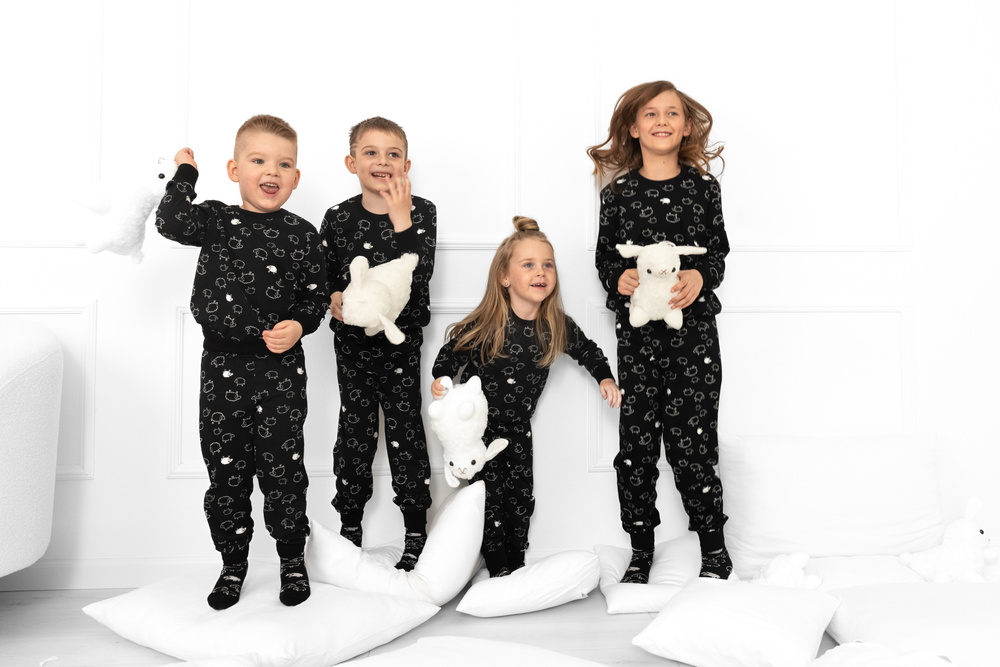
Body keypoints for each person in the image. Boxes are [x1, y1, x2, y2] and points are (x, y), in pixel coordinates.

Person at [155, 114, 328, 608]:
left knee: (283, 472)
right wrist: (185, 172)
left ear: (296, 177)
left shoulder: (302, 234)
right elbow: (170, 221)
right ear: (234, 170)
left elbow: (315, 297)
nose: (271, 172)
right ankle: (233, 564)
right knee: (226, 474)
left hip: (281, 374)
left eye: (284, 164)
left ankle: (292, 559)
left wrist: (299, 325)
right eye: (258, 161)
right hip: (222, 369)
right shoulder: (215, 219)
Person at [588, 80, 732, 582]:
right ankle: (640, 550)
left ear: (687, 126)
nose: (662, 121)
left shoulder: (704, 189)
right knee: (637, 449)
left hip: (695, 339)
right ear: (633, 127)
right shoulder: (618, 194)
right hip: (639, 343)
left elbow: (717, 253)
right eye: (650, 114)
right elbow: (607, 258)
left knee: (695, 445)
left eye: (672, 113)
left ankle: (714, 549)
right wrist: (619, 278)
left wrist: (700, 275)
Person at [431, 216, 621, 577]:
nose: (541, 272)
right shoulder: (486, 324)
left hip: (518, 429)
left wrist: (605, 378)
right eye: (529, 265)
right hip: (479, 432)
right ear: (505, 277)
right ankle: (498, 569)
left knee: (520, 498)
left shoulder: (555, 325)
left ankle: (516, 564)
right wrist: (440, 379)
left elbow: (588, 351)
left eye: (548, 265)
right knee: (489, 499)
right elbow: (450, 354)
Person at [320, 117, 435, 571]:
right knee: (355, 434)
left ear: (406, 164)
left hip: (401, 347)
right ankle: (350, 525)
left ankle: (415, 528)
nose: (382, 161)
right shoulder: (338, 217)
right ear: (352, 162)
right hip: (353, 348)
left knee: (406, 432)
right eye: (371, 152)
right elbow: (326, 278)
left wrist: (401, 219)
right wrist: (332, 297)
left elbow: (419, 274)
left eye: (393, 154)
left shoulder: (422, 212)